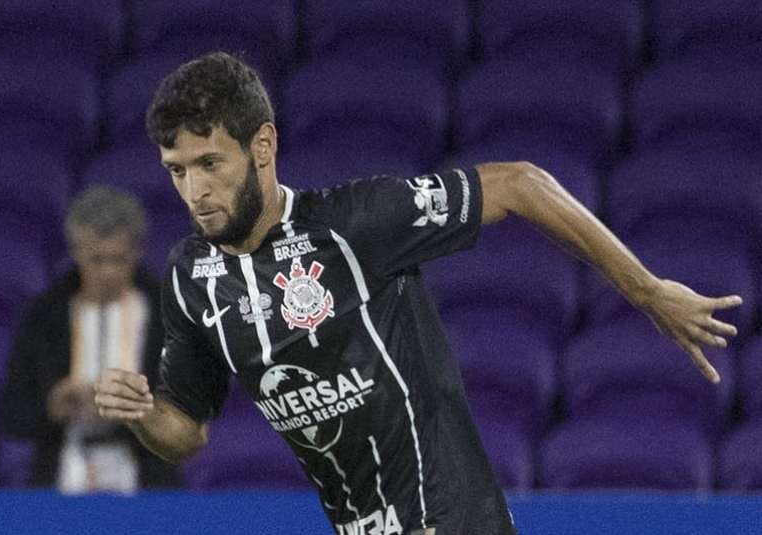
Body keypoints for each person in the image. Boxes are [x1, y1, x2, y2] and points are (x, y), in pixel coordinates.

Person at [94, 52, 742, 534]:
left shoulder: (354, 224)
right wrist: (143, 410)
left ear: (262, 146)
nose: (195, 192)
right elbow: (186, 432)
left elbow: (520, 183)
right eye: (177, 171)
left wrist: (648, 289)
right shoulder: (192, 276)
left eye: (211, 164)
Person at [0, 185, 179, 493]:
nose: (108, 272)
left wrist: (140, 411)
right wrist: (51, 406)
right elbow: (12, 413)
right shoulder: (44, 316)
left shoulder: (169, 316)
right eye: (97, 260)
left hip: (145, 473)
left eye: (119, 259)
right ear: (76, 251)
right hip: (63, 467)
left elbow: (193, 410)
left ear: (138, 252)